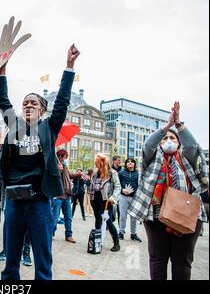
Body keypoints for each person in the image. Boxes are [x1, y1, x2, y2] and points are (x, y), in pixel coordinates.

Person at [0, 43, 80, 280]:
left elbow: (63, 101)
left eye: (34, 103)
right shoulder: (15, 126)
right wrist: (2, 71)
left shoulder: (48, 128)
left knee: (42, 261)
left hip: (39, 202)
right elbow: (3, 100)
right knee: (11, 259)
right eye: (25, 103)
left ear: (42, 110)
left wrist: (69, 66)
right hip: (14, 200)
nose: (28, 105)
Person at [128, 102, 208, 280]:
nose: (168, 141)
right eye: (164, 139)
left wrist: (178, 125)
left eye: (173, 138)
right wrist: (166, 127)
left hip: (187, 216)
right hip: (156, 216)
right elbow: (148, 146)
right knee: (157, 260)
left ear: (179, 143)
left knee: (182, 263)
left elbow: (192, 147)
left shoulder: (187, 157)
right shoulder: (151, 158)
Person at [89, 153, 121, 252]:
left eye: (97, 162)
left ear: (102, 162)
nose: (96, 164)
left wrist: (113, 198)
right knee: (97, 220)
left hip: (106, 201)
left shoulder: (112, 173)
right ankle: (98, 242)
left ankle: (116, 243)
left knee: (108, 222)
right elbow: (92, 185)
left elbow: (118, 187)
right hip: (95, 200)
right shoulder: (95, 173)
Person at [51, 149, 83, 243]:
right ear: (60, 157)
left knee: (68, 217)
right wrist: (57, 169)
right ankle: (51, 233)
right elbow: (52, 177)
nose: (66, 159)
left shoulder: (64, 166)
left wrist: (79, 174)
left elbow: (69, 175)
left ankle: (68, 235)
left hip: (67, 196)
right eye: (65, 157)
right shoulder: (54, 165)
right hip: (58, 196)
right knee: (55, 217)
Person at [118, 158, 142, 242]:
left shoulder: (138, 173)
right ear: (126, 164)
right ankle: (121, 232)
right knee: (122, 216)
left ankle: (133, 234)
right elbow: (117, 184)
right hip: (123, 197)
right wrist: (122, 190)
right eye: (128, 162)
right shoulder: (121, 173)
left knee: (133, 217)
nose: (130, 163)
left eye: (132, 162)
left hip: (134, 197)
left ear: (134, 164)